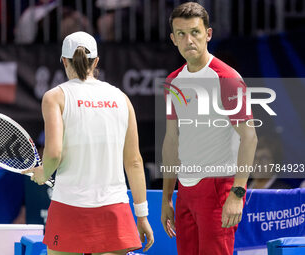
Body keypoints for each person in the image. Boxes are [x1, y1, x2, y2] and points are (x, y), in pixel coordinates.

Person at [22, 31, 154, 255]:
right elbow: (134, 162)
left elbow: (53, 154)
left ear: (64, 61)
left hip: (68, 207)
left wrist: (44, 173)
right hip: (114, 208)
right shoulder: (122, 98)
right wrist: (142, 215)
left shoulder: (55, 97)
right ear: (97, 62)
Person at [160, 2, 257, 255]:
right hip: (185, 191)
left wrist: (237, 194)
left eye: (195, 32)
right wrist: (167, 198)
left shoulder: (227, 79)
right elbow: (171, 140)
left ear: (208, 34)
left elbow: (250, 138)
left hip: (219, 189)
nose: (188, 39)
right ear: (173, 39)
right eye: (181, 34)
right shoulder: (173, 81)